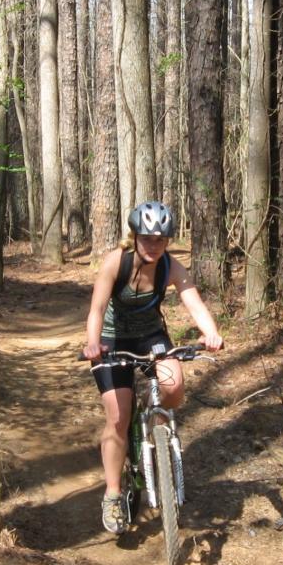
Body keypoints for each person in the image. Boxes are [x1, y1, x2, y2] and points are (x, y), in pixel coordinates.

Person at [82, 201, 224, 535]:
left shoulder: (171, 268)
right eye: (147, 238)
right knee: (117, 417)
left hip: (150, 336)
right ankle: (114, 494)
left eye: (160, 239)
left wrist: (211, 333)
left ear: (168, 241)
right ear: (135, 236)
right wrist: (93, 343)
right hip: (112, 340)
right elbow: (97, 308)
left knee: (173, 386)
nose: (153, 245)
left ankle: (155, 430)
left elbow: (194, 303)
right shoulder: (117, 262)